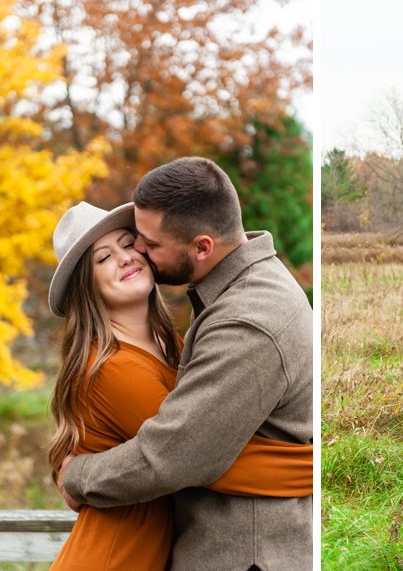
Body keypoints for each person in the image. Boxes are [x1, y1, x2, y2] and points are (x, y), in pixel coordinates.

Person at [55, 157, 317, 569]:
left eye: (139, 243)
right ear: (86, 287)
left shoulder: (235, 321)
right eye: (103, 258)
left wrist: (78, 476)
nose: (135, 252)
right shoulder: (117, 364)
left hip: (242, 553)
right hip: (121, 554)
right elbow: (183, 456)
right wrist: (308, 467)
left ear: (202, 247)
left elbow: (183, 455)